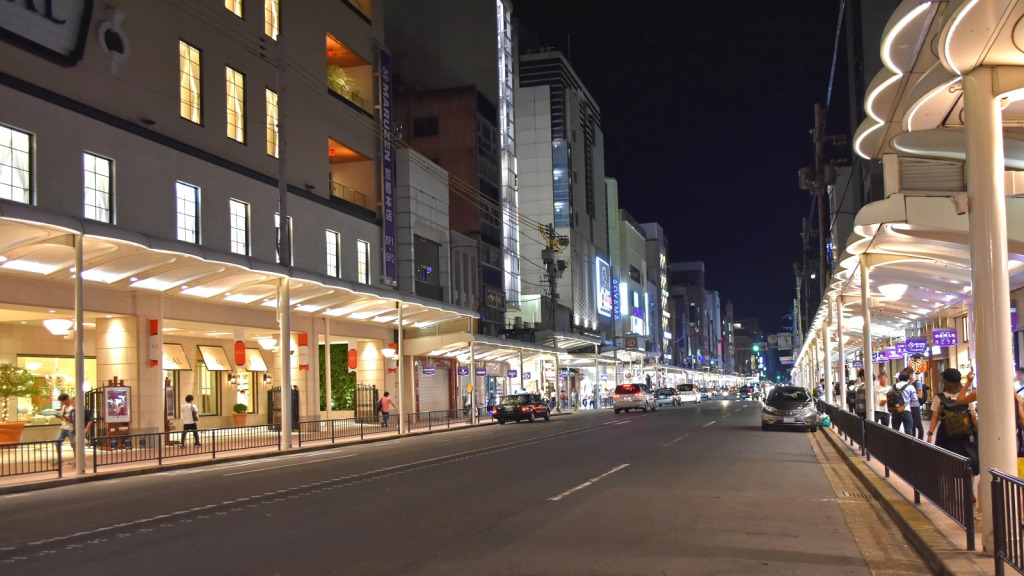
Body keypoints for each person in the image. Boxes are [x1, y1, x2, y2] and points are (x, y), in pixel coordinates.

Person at [927, 368, 979, 475]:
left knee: (947, 462)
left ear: (945, 381)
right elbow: (973, 416)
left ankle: (951, 484)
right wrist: (978, 431)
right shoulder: (966, 397)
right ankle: (968, 484)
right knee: (970, 462)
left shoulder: (939, 398)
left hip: (946, 434)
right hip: (966, 434)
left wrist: (930, 433)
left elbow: (935, 417)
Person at [889, 368, 916, 434]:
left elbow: (889, 395)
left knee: (895, 432)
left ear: (899, 378)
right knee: (908, 431)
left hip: (895, 410)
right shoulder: (910, 387)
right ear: (908, 378)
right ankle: (907, 441)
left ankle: (895, 441)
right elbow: (915, 399)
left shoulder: (893, 386)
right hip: (906, 410)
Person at [908, 369, 925, 439]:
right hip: (908, 406)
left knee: (918, 424)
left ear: (912, 374)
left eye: (908, 374)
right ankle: (913, 439)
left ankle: (920, 440)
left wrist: (911, 396)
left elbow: (920, 395)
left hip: (915, 406)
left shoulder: (917, 383)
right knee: (912, 425)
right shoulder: (907, 383)